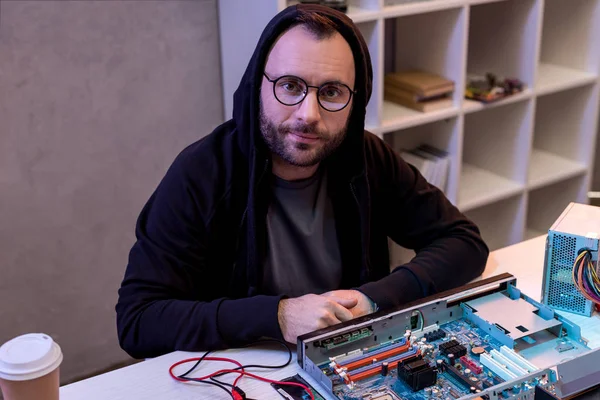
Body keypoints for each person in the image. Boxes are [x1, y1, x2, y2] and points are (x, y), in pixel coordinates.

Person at [116, 4, 489, 359]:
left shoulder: (367, 157)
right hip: (244, 373)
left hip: (353, 364)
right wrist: (277, 316)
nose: (308, 115)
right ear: (257, 85)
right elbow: (138, 320)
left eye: (331, 92)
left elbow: (464, 243)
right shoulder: (202, 173)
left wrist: (373, 299)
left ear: (355, 101)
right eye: (290, 86)